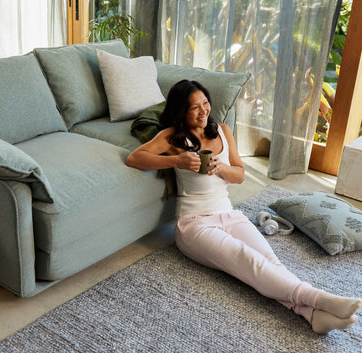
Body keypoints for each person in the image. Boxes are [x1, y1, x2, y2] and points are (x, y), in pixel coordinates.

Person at [126, 79, 362, 334]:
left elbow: (239, 174)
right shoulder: (171, 137)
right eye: (194, 107)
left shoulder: (223, 131)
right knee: (247, 259)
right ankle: (317, 298)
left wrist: (222, 168)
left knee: (270, 260)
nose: (203, 110)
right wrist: (176, 161)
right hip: (194, 224)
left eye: (205, 103)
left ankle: (311, 314)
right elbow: (135, 157)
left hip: (229, 214)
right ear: (181, 111)